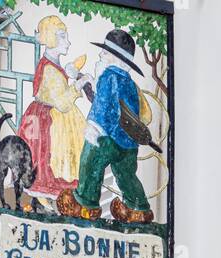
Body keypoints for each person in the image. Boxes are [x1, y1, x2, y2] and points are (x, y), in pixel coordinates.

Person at [57, 28, 153, 224]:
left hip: (107, 136)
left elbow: (101, 105)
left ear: (115, 58)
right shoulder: (130, 84)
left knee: (90, 161)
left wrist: (93, 130)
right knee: (126, 175)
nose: (101, 55)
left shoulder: (109, 75)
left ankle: (86, 203)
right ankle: (139, 207)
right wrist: (83, 79)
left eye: (106, 52)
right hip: (128, 143)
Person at [18, 15, 87, 199]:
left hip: (50, 116)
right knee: (52, 163)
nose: (68, 42)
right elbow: (63, 103)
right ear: (51, 38)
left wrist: (72, 74)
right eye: (63, 37)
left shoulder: (53, 65)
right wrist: (79, 85)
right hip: (51, 121)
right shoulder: (49, 70)